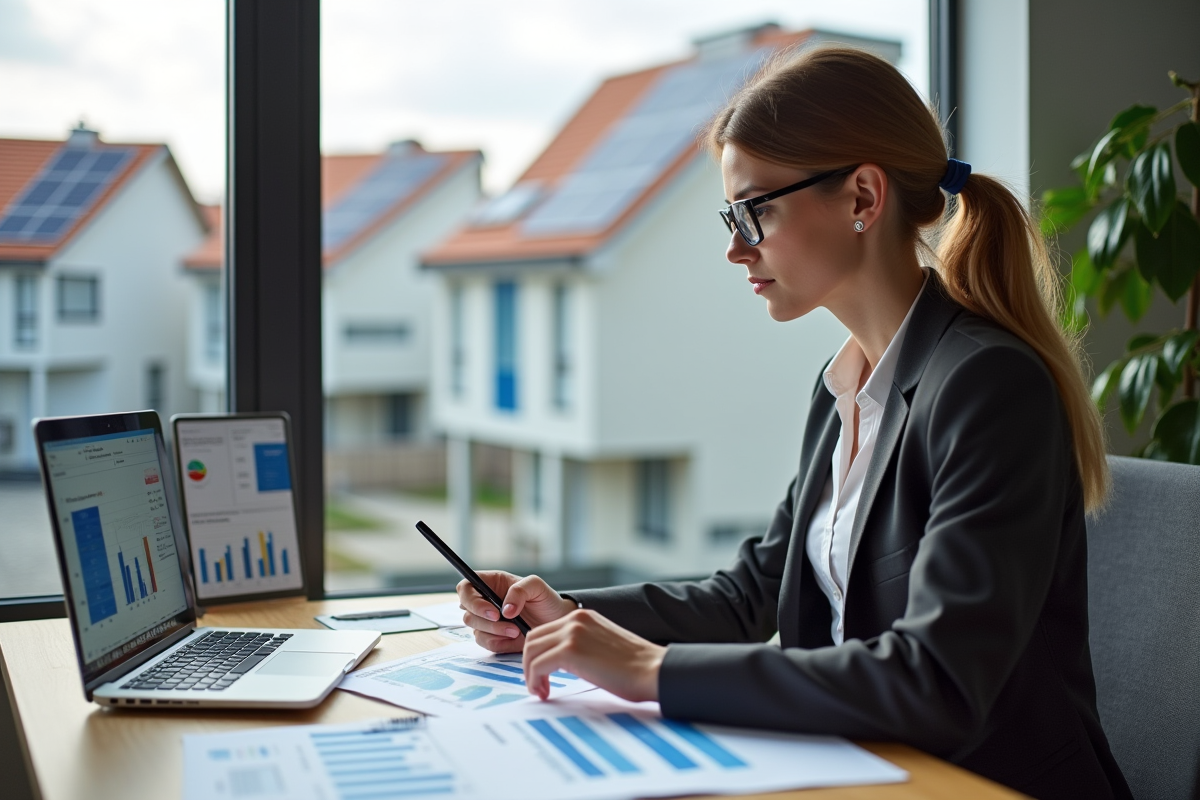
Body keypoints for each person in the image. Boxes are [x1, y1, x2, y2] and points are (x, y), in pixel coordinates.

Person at [456, 46, 1131, 800]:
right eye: (730, 214)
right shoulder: (846, 382)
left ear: (862, 199)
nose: (734, 246)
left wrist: (649, 671)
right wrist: (571, 616)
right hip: (861, 772)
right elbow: (753, 595)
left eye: (756, 211)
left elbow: (936, 679)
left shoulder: (986, 384)